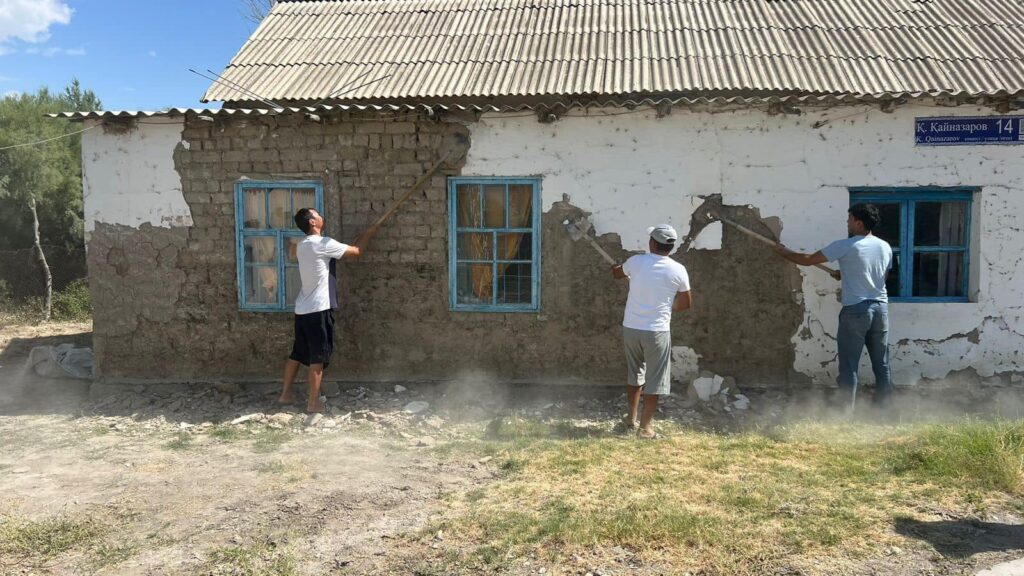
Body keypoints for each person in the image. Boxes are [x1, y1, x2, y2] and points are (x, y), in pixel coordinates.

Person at [773, 203, 894, 409]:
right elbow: (881, 276)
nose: (847, 222)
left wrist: (783, 252)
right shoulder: (884, 246)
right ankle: (886, 411)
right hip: (880, 309)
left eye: (849, 219)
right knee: (881, 364)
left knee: (849, 366)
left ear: (858, 222)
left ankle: (844, 414)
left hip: (856, 310)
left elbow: (808, 260)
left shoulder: (847, 245)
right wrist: (845, 273)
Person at [278, 208, 380, 413]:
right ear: (313, 223)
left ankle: (285, 395)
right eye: (317, 215)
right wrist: (370, 234)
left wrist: (360, 237)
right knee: (318, 357)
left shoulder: (303, 246)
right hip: (319, 309)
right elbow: (357, 252)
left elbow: (346, 248)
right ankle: (313, 404)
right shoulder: (323, 244)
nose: (321, 216)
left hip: (303, 309)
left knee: (297, 353)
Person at [612, 224, 692, 439]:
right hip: (657, 331)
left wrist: (620, 269)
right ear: (671, 246)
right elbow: (685, 303)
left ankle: (631, 418)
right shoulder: (678, 269)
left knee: (635, 374)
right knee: (655, 379)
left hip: (631, 329)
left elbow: (617, 273)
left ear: (652, 243)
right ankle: (645, 428)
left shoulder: (636, 262)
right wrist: (667, 305)